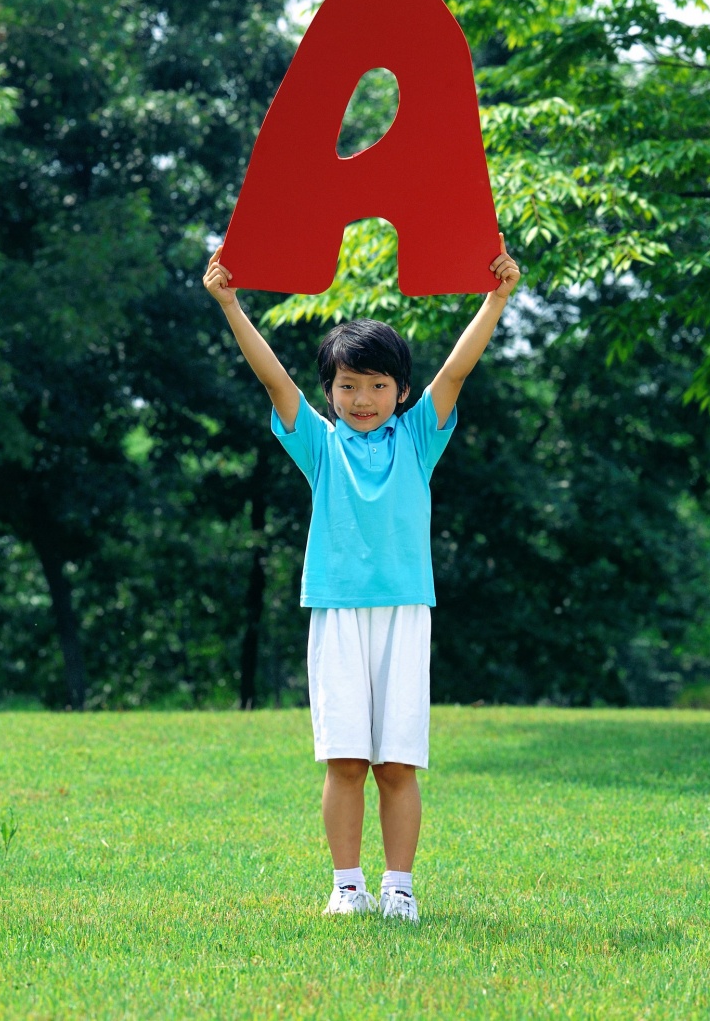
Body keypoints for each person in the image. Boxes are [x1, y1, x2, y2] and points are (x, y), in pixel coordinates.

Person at [203, 236, 521, 922]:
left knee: (397, 764)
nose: (363, 396)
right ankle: (347, 885)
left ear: (401, 391)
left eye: (378, 385)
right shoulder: (318, 442)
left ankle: (398, 888)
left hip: (406, 611)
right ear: (331, 391)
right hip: (338, 612)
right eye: (349, 384)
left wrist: (496, 298)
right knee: (346, 759)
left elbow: (459, 371)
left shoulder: (417, 438)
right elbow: (272, 380)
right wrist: (230, 304)